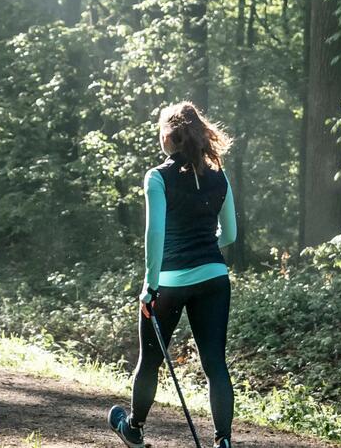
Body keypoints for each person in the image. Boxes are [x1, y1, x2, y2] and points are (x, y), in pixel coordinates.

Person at [108, 102, 236, 448]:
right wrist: (206, 248)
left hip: (170, 282)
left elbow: (155, 234)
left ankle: (133, 429)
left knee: (149, 360)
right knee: (215, 364)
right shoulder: (219, 175)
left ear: (169, 136)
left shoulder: (157, 177)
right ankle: (223, 442)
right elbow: (231, 234)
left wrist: (150, 284)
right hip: (214, 278)